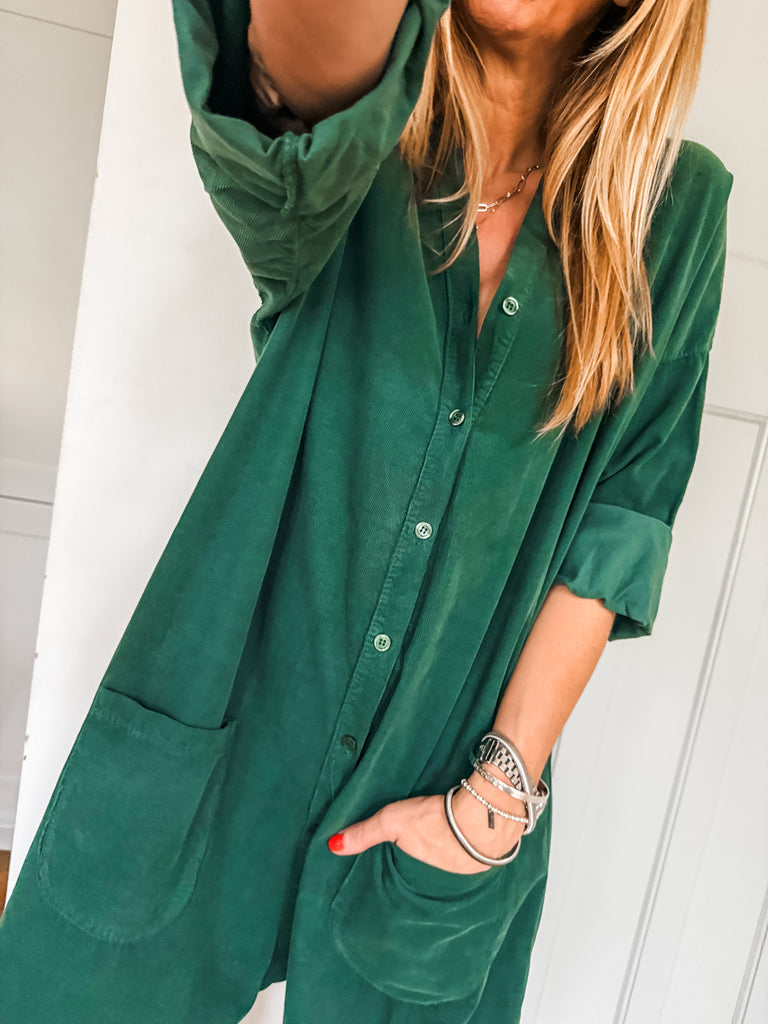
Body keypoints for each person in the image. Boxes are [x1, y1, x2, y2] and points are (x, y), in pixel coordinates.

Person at [0, 1, 733, 1022]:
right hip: (220, 748)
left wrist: (496, 795)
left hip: (447, 778)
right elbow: (285, 101)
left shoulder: (674, 208)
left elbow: (625, 520)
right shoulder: (362, 134)